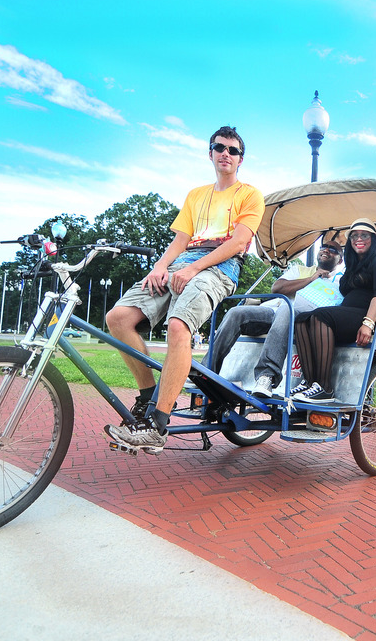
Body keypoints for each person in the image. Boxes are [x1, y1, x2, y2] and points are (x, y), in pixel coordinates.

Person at [103, 126, 264, 453]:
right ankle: (148, 399)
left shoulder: (250, 195)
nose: (225, 154)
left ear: (240, 159)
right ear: (210, 153)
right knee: (117, 318)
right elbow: (180, 241)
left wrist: (193, 269)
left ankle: (157, 426)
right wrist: (160, 267)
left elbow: (238, 242)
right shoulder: (196, 195)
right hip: (183, 261)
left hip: (220, 265)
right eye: (219, 148)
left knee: (178, 325)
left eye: (232, 150)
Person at [206, 239, 344, 397]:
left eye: (333, 250)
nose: (326, 250)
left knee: (287, 309)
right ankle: (208, 369)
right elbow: (277, 288)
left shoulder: (340, 280)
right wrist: (311, 279)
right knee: (236, 312)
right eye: (324, 247)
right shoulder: (300, 270)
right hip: (275, 310)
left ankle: (267, 376)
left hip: (303, 318)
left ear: (340, 259)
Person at [291, 218, 376, 402]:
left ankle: (324, 388)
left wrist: (368, 324)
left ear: (373, 239)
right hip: (346, 314)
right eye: (354, 236)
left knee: (321, 316)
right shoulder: (351, 268)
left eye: (364, 235)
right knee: (301, 319)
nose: (358, 239)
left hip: (364, 315)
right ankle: (309, 382)